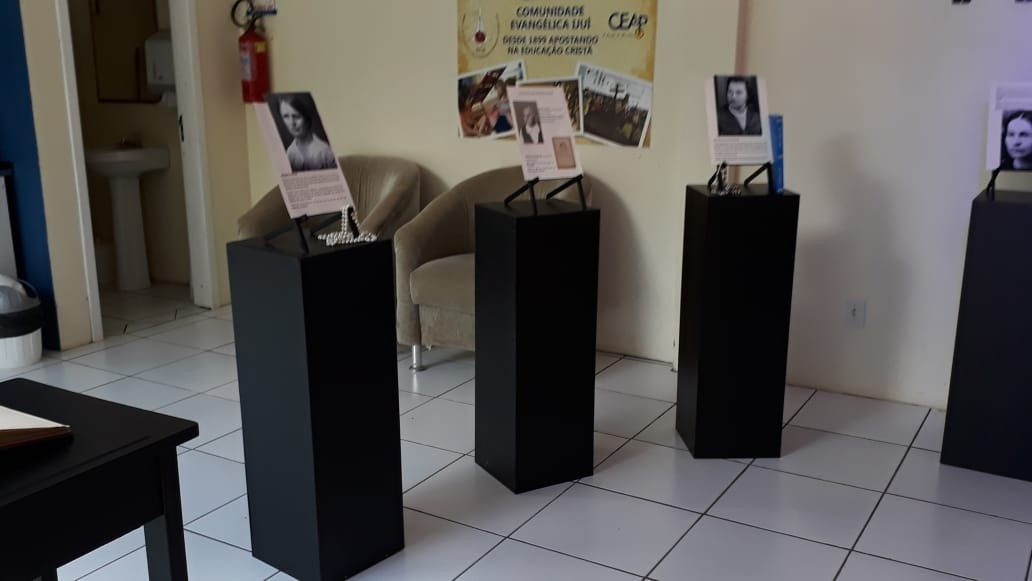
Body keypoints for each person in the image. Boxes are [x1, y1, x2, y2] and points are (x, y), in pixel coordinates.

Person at [277, 95, 337, 172]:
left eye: (297, 116)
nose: (292, 123)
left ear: (307, 117)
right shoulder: (289, 153)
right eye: (286, 116)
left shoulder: (326, 151)